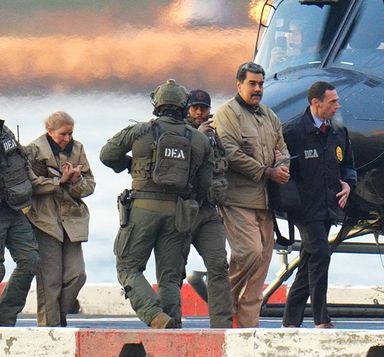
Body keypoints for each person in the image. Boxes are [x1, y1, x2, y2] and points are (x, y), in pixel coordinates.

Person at [100, 79, 212, 329]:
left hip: (142, 209)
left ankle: (154, 315)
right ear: (184, 106)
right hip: (179, 212)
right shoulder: (199, 139)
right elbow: (206, 184)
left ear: (157, 104)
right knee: (170, 278)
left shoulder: (140, 131)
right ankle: (172, 327)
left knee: (128, 268)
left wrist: (130, 165)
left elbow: (107, 155)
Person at [213, 62, 290, 328]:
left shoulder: (269, 115)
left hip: (265, 201)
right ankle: (223, 303)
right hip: (237, 198)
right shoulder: (227, 114)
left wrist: (282, 168)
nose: (257, 89)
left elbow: (283, 149)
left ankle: (249, 326)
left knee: (262, 263)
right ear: (239, 85)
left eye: (260, 84)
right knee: (250, 252)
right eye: (252, 84)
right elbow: (230, 152)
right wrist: (267, 171)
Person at [282, 81, 357, 329]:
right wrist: (290, 201)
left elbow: (348, 165)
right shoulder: (293, 132)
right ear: (316, 103)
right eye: (332, 101)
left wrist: (348, 184)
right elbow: (283, 171)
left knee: (309, 262)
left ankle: (290, 322)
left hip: (328, 207)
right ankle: (321, 319)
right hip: (304, 209)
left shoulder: (338, 131)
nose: (338, 105)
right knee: (321, 254)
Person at [26, 111, 95, 327]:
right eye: (63, 134)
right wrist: (59, 181)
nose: (67, 138)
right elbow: (30, 185)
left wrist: (75, 180)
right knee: (50, 280)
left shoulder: (78, 149)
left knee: (77, 275)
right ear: (50, 131)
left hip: (72, 220)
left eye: (70, 133)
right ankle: (50, 327)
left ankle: (58, 316)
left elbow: (90, 185)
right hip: (44, 220)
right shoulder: (33, 150)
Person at [0, 98, 39, 326]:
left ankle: (6, 318)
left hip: (14, 209)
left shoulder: (6, 134)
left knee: (31, 260)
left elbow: (23, 164)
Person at [184, 89, 233, 328]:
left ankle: (222, 326)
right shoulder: (180, 133)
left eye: (204, 108)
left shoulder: (213, 135)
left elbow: (221, 165)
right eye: (195, 108)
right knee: (173, 269)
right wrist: (198, 138)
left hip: (208, 210)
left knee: (218, 266)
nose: (200, 113)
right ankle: (169, 324)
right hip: (184, 209)